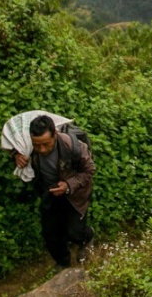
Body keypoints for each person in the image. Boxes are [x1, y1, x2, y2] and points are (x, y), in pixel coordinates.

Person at [13, 114, 96, 268]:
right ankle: (63, 262)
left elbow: (89, 170)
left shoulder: (73, 146)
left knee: (74, 232)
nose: (41, 149)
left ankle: (87, 236)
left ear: (55, 135)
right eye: (36, 145)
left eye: (46, 144)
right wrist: (16, 155)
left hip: (74, 194)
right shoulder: (27, 146)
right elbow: (15, 149)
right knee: (50, 233)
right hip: (49, 191)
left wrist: (68, 185)